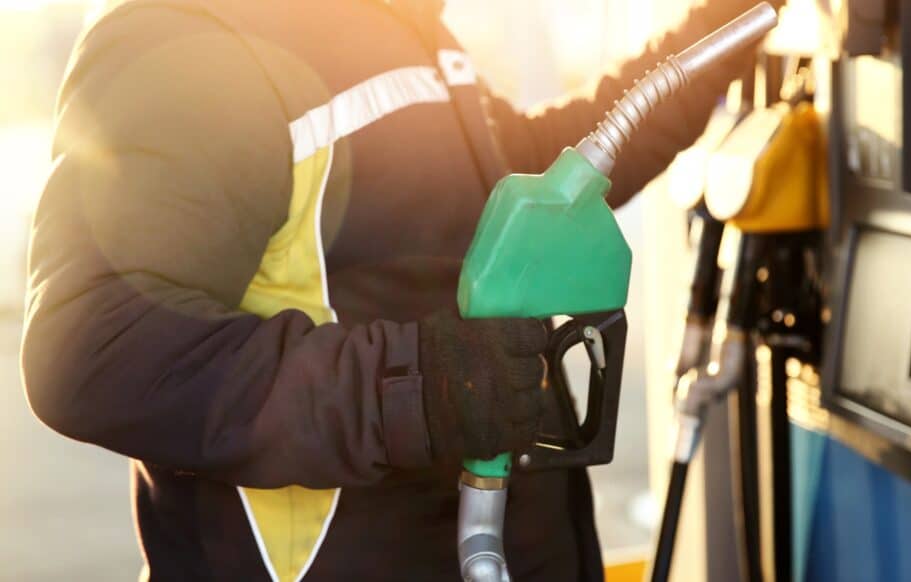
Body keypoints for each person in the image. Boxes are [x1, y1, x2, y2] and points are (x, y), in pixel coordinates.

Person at [21, 0, 774, 580]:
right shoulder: (192, 44)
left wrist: (720, 36)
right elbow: (93, 346)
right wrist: (420, 389)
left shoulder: (402, 28)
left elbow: (536, 176)